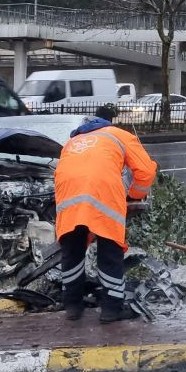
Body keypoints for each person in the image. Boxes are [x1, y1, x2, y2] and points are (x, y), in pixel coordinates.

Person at [54, 104, 158, 323]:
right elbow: (146, 171)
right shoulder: (119, 135)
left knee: (72, 248)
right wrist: (134, 195)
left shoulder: (72, 141)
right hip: (102, 189)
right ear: (110, 122)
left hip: (67, 192)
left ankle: (72, 305)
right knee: (110, 248)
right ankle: (111, 308)